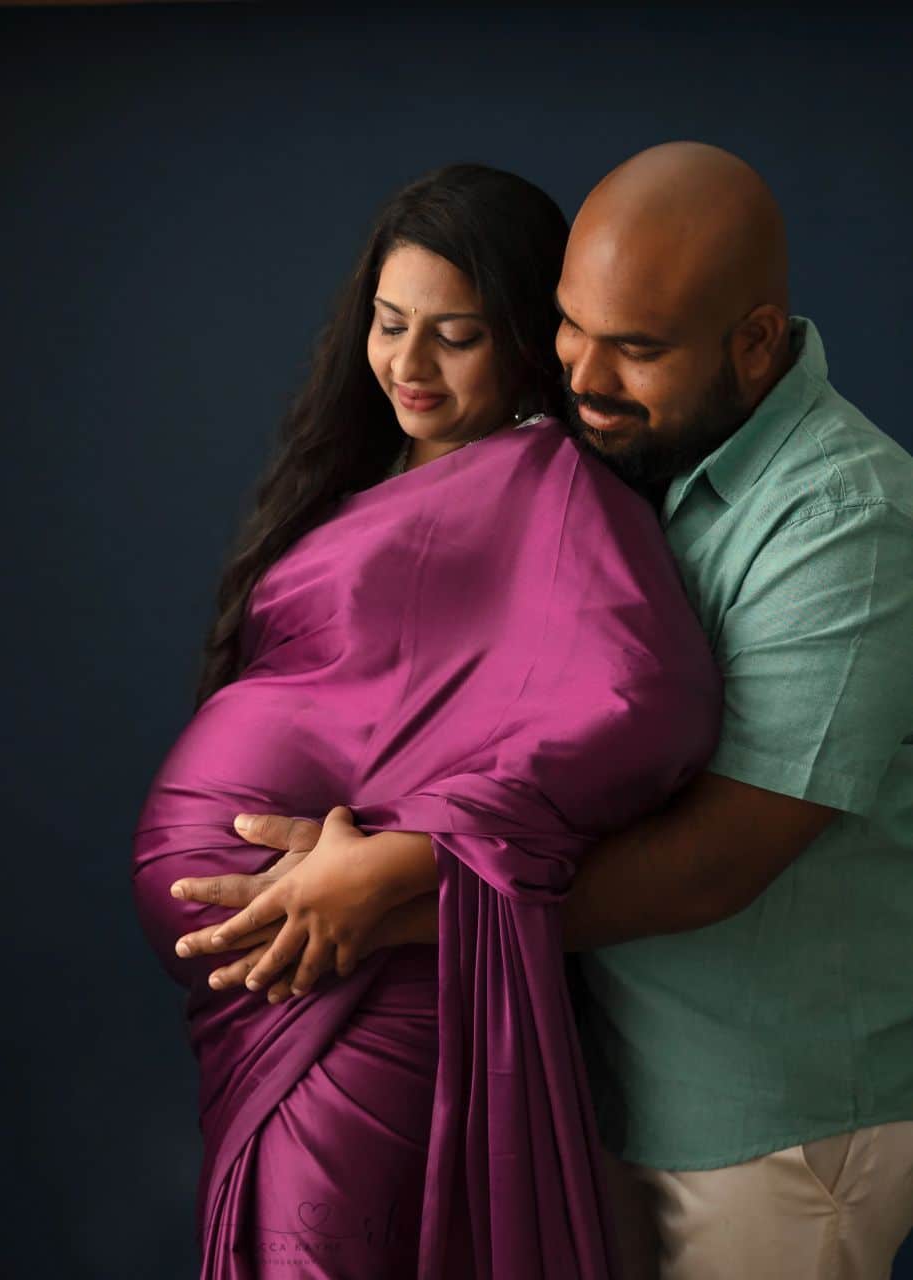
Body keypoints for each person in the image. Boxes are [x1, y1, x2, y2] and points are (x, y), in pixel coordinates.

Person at [181, 142, 913, 1280]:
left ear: (756, 340)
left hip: (766, 1123)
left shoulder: (841, 520)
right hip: (598, 1074)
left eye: (636, 348)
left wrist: (395, 891)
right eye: (570, 326)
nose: (581, 373)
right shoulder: (631, 454)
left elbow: (718, 858)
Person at [132, 162, 721, 1280]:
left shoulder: (550, 484)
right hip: (282, 996)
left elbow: (649, 699)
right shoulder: (370, 468)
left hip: (379, 983)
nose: (407, 364)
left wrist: (405, 851)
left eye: (452, 334)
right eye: (390, 323)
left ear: (525, 335)